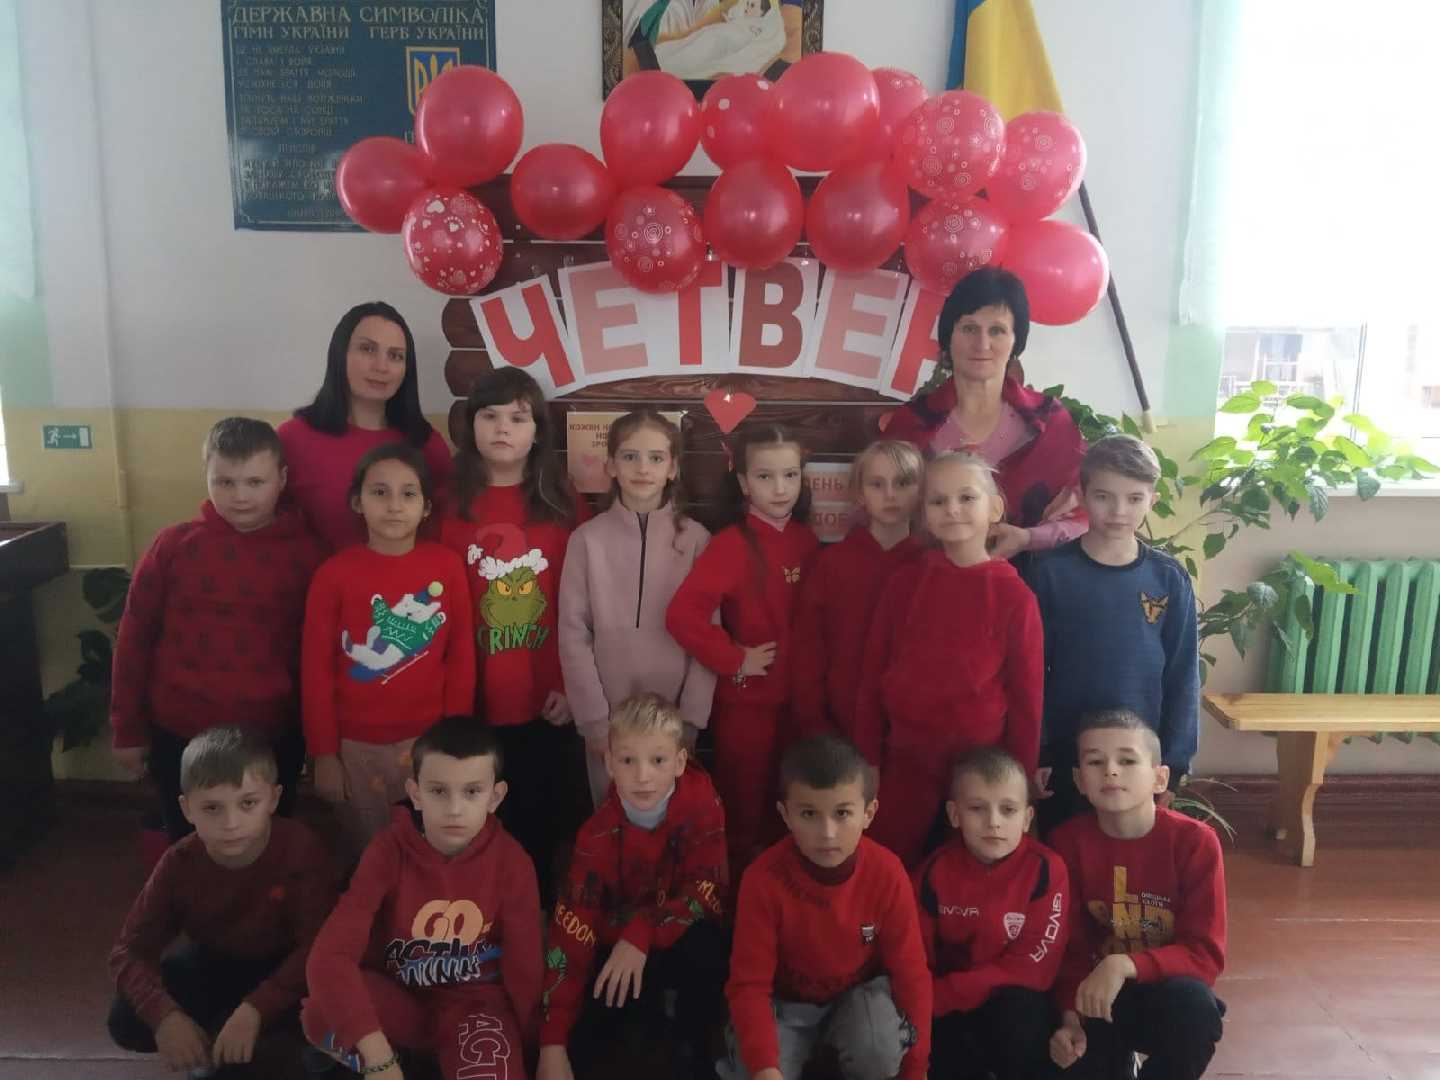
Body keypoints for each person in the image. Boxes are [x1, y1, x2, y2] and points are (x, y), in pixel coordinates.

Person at [108, 418, 326, 840]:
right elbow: (134, 640)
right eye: (224, 482)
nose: (240, 496)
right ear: (206, 477)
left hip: (271, 734)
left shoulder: (309, 556)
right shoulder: (173, 546)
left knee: (269, 845)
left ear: (281, 479)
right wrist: (127, 729)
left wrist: (320, 744)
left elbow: (317, 657)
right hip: (180, 731)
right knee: (189, 846)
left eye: (255, 482)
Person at [303, 716, 542, 1080]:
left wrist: (534, 1048)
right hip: (402, 999)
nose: (455, 808)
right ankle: (400, 1062)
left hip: (475, 1010)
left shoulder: (513, 862)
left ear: (495, 797)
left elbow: (525, 968)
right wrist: (379, 1058)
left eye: (472, 792)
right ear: (416, 793)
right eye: (439, 791)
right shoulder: (388, 850)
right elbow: (329, 956)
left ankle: (431, 1062)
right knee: (319, 1013)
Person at [439, 367, 591, 903]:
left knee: (540, 828)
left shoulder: (562, 501)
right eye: (490, 415)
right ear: (471, 424)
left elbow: (583, 602)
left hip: (546, 701)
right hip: (469, 698)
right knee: (473, 830)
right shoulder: (445, 502)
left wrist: (570, 685)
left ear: (538, 430)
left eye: (518, 418)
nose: (503, 428)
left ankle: (538, 925)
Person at [854, 452, 1043, 868]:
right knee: (893, 862)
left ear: (994, 508)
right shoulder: (905, 583)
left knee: (972, 870)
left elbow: (1027, 697)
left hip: (981, 768)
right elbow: (872, 675)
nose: (952, 509)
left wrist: (1020, 778)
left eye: (966, 497)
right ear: (924, 512)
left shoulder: (1014, 596)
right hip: (906, 760)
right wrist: (869, 758)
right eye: (938, 501)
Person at [107, 727, 335, 1073]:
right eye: (212, 808)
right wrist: (165, 1016)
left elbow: (319, 947)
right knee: (127, 1018)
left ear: (273, 800)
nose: (231, 823)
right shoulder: (179, 862)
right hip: (213, 962)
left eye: (248, 804)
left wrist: (256, 1008)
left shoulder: (301, 849)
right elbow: (128, 952)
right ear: (187, 809)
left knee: (285, 1041)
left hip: (287, 970)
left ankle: (261, 1046)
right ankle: (213, 1041)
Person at [538, 693, 729, 1080]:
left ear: (679, 762)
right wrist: (551, 1044)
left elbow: (708, 893)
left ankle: (693, 1045)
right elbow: (572, 930)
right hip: (620, 946)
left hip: (676, 938)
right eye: (628, 761)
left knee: (710, 948)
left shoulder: (702, 805)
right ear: (609, 763)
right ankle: (647, 1020)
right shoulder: (595, 836)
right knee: (593, 1036)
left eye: (657, 760)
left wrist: (643, 932)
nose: (643, 776)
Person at [720, 733, 931, 1080]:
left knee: (878, 1050)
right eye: (809, 814)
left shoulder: (888, 873)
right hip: (784, 1006)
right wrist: (764, 1068)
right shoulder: (762, 879)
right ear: (785, 815)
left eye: (843, 813)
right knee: (752, 1066)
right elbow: (749, 985)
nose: (828, 833)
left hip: (855, 1001)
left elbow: (911, 974)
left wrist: (916, 1070)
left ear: (869, 813)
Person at [302, 444, 475, 856]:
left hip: (430, 741)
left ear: (426, 507)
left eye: (408, 493)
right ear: (357, 502)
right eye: (380, 492)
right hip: (355, 747)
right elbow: (315, 670)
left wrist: (455, 737)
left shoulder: (447, 566)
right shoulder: (333, 575)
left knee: (430, 847)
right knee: (370, 851)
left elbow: (461, 655)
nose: (394, 505)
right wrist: (324, 754)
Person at [1024, 435, 1200, 835]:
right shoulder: (1049, 573)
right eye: (1104, 497)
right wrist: (1037, 751)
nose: (1119, 511)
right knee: (1068, 850)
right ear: (1083, 495)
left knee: (1133, 853)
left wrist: (1174, 761)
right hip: (1067, 753)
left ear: (1152, 500)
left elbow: (1182, 673)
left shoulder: (1168, 578)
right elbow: (1031, 673)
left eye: (1134, 499)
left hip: (1141, 754)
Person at [666, 422, 820, 875]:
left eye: (790, 475)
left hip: (801, 704)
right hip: (747, 705)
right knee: (743, 810)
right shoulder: (730, 545)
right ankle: (734, 895)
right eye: (765, 476)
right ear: (743, 483)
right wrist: (735, 658)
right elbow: (682, 616)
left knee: (791, 805)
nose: (780, 488)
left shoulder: (807, 541)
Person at [1047, 711, 1226, 1080]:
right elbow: (1068, 947)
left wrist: (1123, 964)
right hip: (1092, 999)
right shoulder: (1066, 843)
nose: (1111, 771)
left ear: (1160, 777)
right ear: (1079, 780)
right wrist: (1069, 1017)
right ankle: (1116, 1059)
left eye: (1127, 761)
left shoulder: (1195, 842)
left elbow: (1204, 955)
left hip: (1163, 993)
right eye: (1095, 762)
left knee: (1196, 1010)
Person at [558, 411, 717, 807]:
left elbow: (710, 635)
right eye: (630, 456)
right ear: (611, 465)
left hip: (674, 721)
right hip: (609, 722)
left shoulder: (697, 540)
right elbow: (573, 634)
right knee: (612, 816)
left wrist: (692, 718)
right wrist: (594, 722)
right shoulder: (586, 541)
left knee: (672, 817)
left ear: (673, 468)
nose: (643, 468)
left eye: (656, 458)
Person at [883, 267, 1089, 562]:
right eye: (969, 328)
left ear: (1016, 341)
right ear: (948, 337)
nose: (982, 344)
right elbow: (885, 514)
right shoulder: (911, 424)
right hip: (929, 579)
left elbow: (1084, 515)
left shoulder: (1051, 421)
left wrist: (1028, 538)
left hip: (1031, 581)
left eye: (997, 330)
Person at [914, 747, 1069, 1080]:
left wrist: (948, 993)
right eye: (977, 808)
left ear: (1027, 818)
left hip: (1006, 1002)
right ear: (954, 814)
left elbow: (1034, 968)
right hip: (946, 1007)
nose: (994, 822)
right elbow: (915, 955)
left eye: (1008, 810)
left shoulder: (1047, 869)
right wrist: (927, 1000)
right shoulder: (933, 872)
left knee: (1020, 1013)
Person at [279, 301, 453, 552]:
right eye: (368, 349)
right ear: (340, 354)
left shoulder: (426, 444)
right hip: (317, 577)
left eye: (395, 356)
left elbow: (444, 533)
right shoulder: (292, 440)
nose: (381, 367)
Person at [791, 440, 924, 742]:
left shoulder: (931, 565)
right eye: (877, 484)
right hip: (840, 727)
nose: (890, 494)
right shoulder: (831, 564)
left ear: (921, 491)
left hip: (913, 732)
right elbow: (808, 652)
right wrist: (814, 723)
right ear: (859, 493)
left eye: (903, 483)